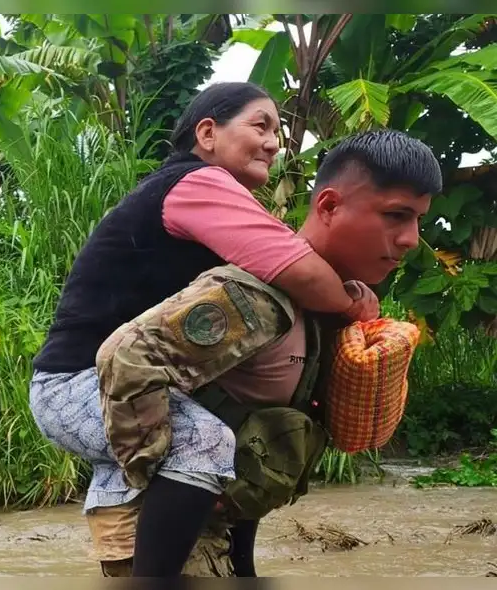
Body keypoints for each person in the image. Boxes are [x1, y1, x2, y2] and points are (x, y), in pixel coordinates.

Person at [28, 81, 379, 576]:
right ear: (208, 133)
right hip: (79, 383)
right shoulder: (195, 183)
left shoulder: (225, 202)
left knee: (243, 432)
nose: (275, 143)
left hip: (139, 378)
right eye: (261, 125)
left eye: (278, 132)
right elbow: (297, 266)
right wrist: (352, 304)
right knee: (205, 442)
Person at [96, 128, 443, 577]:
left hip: (221, 536)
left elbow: (258, 436)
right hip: (173, 543)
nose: (411, 239)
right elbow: (125, 356)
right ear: (330, 206)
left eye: (418, 220)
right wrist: (149, 470)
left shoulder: (325, 311)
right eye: (396, 215)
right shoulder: (254, 299)